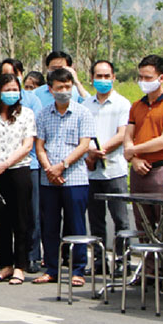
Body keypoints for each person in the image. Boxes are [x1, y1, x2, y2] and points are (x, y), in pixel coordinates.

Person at [31, 67, 96, 287]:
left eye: (68, 87)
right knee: (49, 225)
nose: (64, 91)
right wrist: (50, 169)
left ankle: (78, 270)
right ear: (50, 89)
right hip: (48, 179)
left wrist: (62, 166)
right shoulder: (43, 114)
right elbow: (39, 146)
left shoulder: (83, 112)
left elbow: (84, 145)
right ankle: (51, 268)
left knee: (76, 225)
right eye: (60, 87)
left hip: (75, 178)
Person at [0, 58, 43, 274]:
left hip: (18, 171)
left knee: (21, 220)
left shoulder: (26, 114)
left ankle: (21, 265)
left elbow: (27, 146)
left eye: (14, 89)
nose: (11, 93)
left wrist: (5, 165)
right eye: (7, 89)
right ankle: (5, 264)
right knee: (1, 220)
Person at [122, 54, 163, 236]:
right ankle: (149, 264)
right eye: (140, 77)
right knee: (143, 225)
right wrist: (133, 158)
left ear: (161, 78)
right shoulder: (136, 106)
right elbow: (128, 135)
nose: (143, 81)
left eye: (148, 78)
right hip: (138, 171)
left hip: (161, 171)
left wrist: (134, 150)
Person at [83, 59, 133, 261]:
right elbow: (81, 136)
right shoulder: (85, 105)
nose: (102, 80)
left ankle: (123, 261)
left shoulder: (123, 104)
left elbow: (123, 134)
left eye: (106, 76)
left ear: (113, 77)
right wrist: (89, 153)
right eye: (98, 76)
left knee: (121, 219)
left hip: (115, 170)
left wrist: (100, 150)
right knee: (95, 220)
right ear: (92, 78)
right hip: (91, 170)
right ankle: (98, 260)